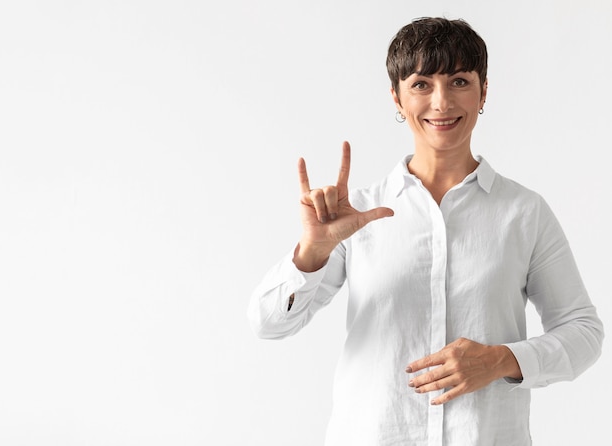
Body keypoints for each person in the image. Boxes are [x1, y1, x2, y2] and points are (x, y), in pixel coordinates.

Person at [247, 17, 604, 446]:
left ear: (483, 91)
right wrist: (311, 253)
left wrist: (501, 359)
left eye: (458, 81)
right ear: (396, 98)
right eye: (421, 84)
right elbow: (267, 324)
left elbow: (583, 332)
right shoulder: (353, 215)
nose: (441, 102)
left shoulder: (523, 212)